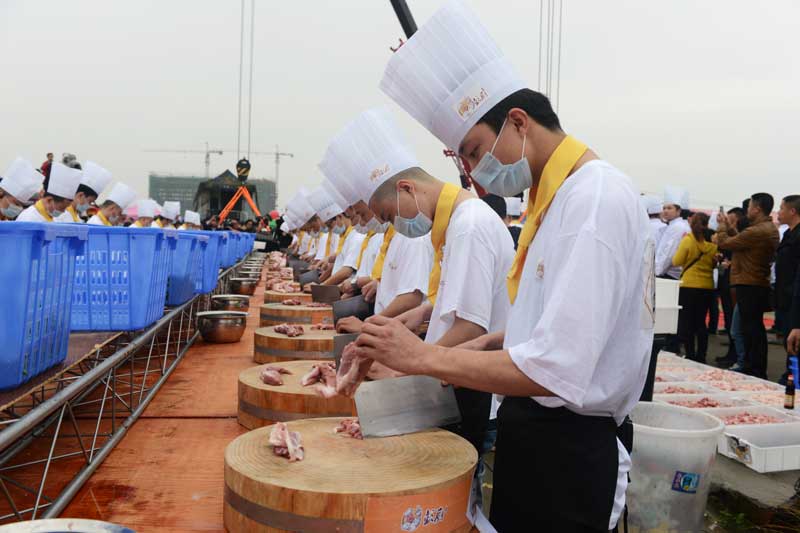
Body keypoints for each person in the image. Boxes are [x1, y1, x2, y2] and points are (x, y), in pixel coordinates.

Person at [366, 2, 652, 530]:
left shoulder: (593, 199)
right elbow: (545, 328)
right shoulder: (554, 200)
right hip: (535, 431)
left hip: (569, 450)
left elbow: (557, 369)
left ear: (518, 122)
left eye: (475, 151)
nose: (475, 173)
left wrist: (424, 358)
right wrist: (487, 343)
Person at [320, 114, 433, 330]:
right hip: (385, 326)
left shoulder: (413, 237)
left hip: (400, 330)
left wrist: (368, 326)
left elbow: (411, 297)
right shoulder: (394, 236)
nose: (367, 221)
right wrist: (377, 285)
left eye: (364, 214)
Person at [716, 193, 780, 378]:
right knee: (750, 328)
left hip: (750, 283)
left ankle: (754, 368)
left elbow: (725, 243)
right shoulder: (763, 229)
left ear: (757, 209)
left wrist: (722, 226)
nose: (747, 211)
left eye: (750, 207)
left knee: (751, 330)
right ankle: (752, 366)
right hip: (754, 282)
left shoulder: (758, 231)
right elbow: (741, 241)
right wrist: (730, 228)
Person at [672, 213, 717, 362]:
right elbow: (714, 264)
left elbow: (676, 261)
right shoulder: (712, 243)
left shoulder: (688, 240)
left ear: (691, 224)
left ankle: (690, 354)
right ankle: (701, 355)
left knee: (687, 322)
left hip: (688, 285)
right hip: (707, 286)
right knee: (701, 322)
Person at [775, 195, 800, 383]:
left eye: (782, 208)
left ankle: (792, 380)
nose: (779, 212)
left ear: (793, 211)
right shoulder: (788, 234)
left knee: (794, 343)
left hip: (795, 298)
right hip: (785, 296)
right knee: (788, 342)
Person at [17, 162, 82, 222]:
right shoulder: (29, 219)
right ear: (49, 200)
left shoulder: (55, 219)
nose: (64, 211)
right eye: (62, 208)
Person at [655, 186, 691, 280]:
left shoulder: (677, 227)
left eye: (669, 208)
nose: (665, 211)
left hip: (669, 274)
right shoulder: (677, 225)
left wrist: (657, 271)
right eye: (664, 208)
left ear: (678, 211)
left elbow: (668, 253)